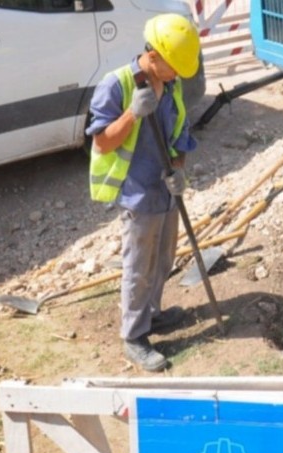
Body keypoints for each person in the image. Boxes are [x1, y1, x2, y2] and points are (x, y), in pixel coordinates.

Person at [86, 13, 200, 372]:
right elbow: (102, 143)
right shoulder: (117, 85)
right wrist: (133, 114)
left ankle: (152, 314)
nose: (178, 76)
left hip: (165, 189)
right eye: (172, 68)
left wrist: (180, 170)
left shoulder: (174, 85)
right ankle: (134, 336)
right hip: (137, 192)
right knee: (138, 266)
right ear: (153, 56)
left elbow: (180, 133)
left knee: (164, 259)